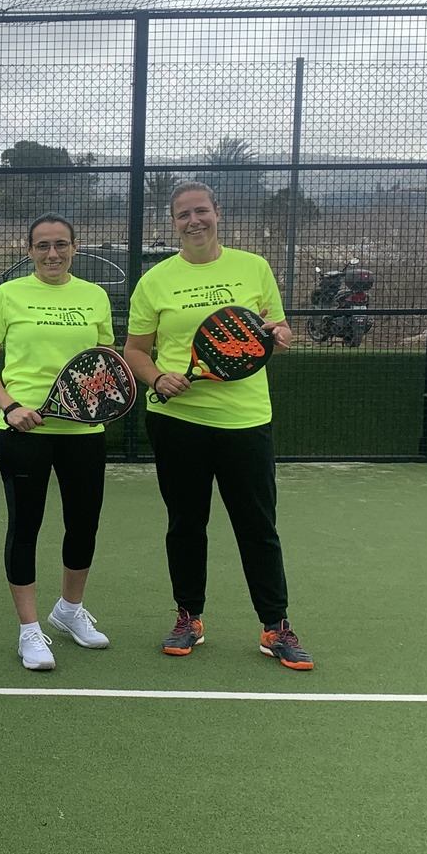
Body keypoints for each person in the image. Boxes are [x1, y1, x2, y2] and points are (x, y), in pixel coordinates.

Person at [121, 181, 313, 669]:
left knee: (257, 526)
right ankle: (189, 617)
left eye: (201, 211)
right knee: (186, 524)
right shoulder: (154, 281)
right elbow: (135, 352)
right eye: (183, 215)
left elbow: (276, 330)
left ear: (217, 213)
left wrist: (281, 335)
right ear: (174, 223)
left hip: (246, 422)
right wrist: (157, 377)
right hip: (177, 422)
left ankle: (275, 626)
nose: (194, 221)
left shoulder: (254, 268)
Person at [0, 214, 116, 672]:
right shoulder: (8, 295)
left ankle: (69, 611)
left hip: (84, 435)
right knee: (25, 527)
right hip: (22, 434)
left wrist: (90, 403)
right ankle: (29, 631)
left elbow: (103, 362)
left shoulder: (95, 297)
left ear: (74, 247)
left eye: (61, 245)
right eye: (43, 246)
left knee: (83, 526)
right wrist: (11, 406)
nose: (52, 254)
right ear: (29, 250)